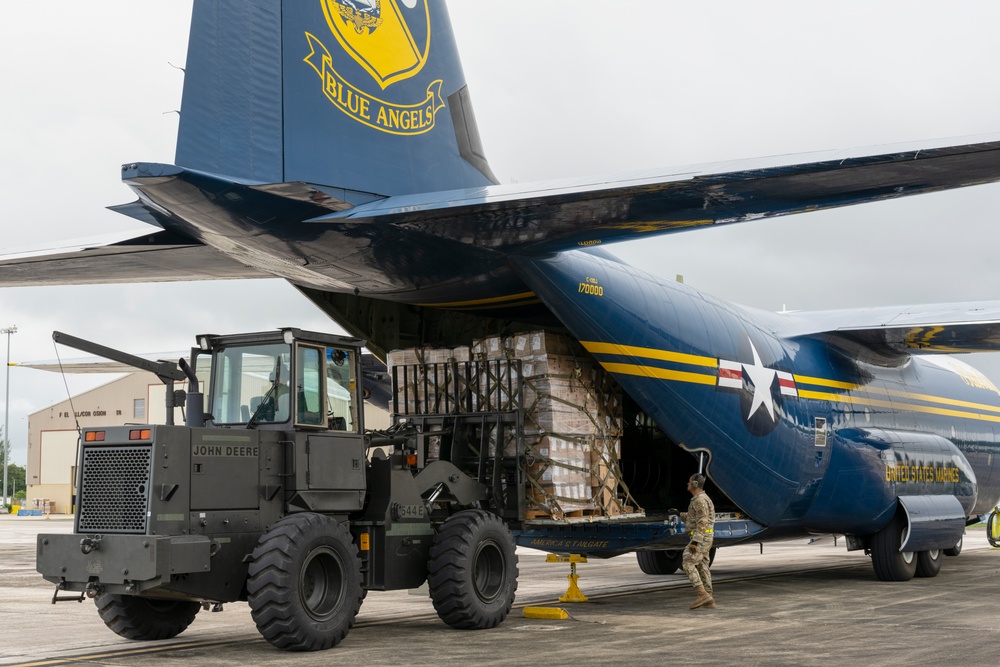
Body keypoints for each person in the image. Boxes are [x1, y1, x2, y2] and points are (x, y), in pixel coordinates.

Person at [681, 473, 716, 609]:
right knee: (702, 566)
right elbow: (694, 517)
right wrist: (680, 514)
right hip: (705, 538)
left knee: (687, 562)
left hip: (700, 539)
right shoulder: (700, 499)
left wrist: (695, 542)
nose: (688, 484)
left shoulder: (700, 500)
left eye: (689, 482)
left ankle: (702, 594)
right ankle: (709, 598)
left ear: (695, 484)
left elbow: (702, 521)